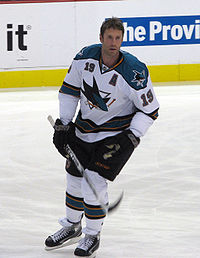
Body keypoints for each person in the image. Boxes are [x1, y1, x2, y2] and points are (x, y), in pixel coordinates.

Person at [45, 17, 159, 257]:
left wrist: (132, 137)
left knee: (95, 180)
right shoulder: (85, 57)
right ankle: (72, 226)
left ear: (122, 40)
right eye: (109, 37)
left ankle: (92, 235)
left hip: (114, 136)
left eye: (118, 38)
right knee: (74, 176)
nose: (113, 43)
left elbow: (150, 110)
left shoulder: (134, 70)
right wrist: (64, 124)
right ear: (101, 38)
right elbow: (69, 90)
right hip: (83, 130)